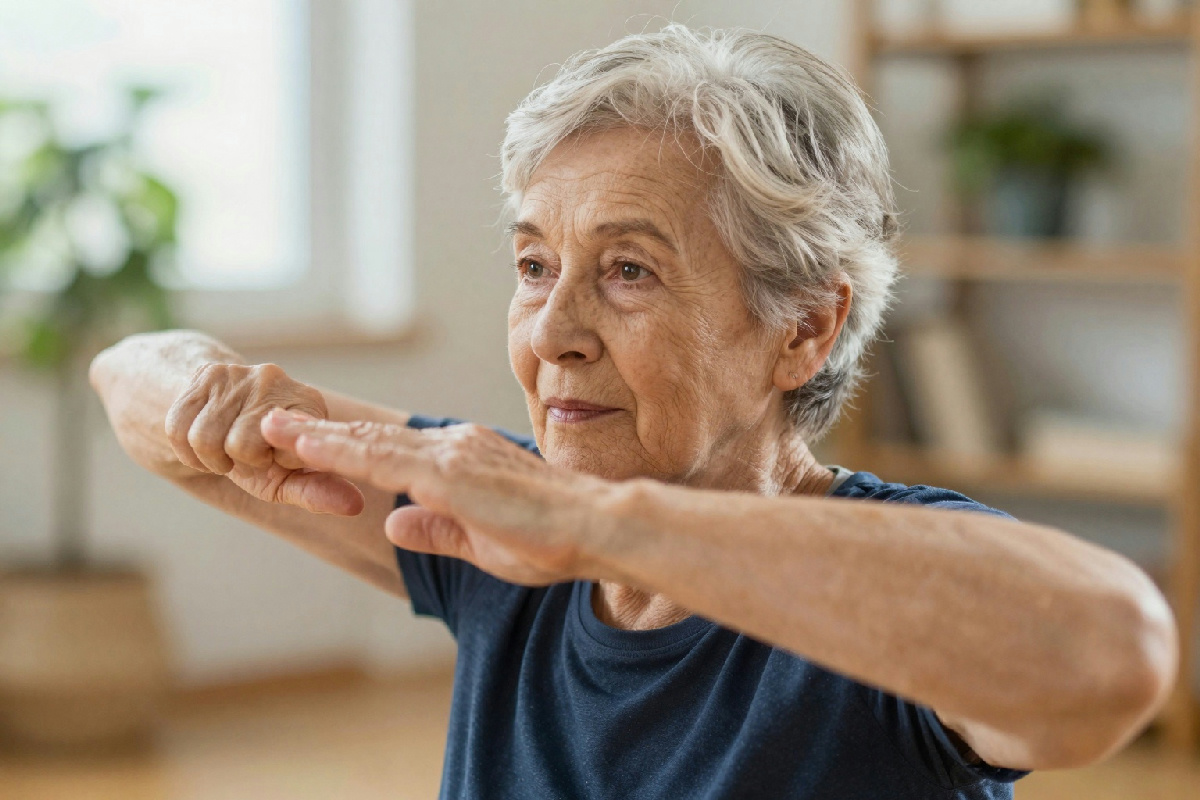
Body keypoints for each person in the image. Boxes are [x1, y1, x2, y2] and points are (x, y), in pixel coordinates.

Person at [90, 25, 1176, 800]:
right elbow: (124, 382)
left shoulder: (878, 579)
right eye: (532, 262)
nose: (552, 327)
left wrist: (598, 526)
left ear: (801, 327)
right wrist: (204, 385)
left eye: (628, 271)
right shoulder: (501, 527)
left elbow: (1111, 650)